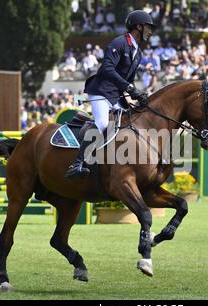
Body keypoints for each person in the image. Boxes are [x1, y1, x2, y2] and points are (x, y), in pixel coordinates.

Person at [65, 10, 156, 180]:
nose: (150, 32)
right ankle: (77, 163)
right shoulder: (120, 42)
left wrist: (137, 94)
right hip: (101, 91)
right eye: (149, 28)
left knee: (131, 122)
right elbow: (107, 69)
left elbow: (128, 80)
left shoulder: (138, 53)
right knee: (102, 123)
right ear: (138, 26)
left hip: (116, 95)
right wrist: (129, 88)